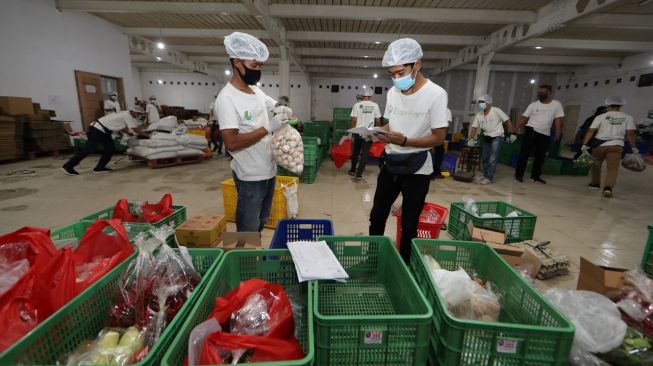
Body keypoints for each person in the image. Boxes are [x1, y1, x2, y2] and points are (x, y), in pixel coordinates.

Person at [369, 38, 448, 263]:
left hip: (417, 168)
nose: (396, 78)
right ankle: (373, 259)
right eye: (392, 74)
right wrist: (375, 131)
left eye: (400, 72)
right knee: (377, 215)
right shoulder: (393, 93)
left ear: (417, 65)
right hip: (391, 162)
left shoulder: (436, 94)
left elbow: (439, 137)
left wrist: (405, 141)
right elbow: (390, 124)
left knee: (409, 223)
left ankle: (404, 265)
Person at [215, 32, 290, 232]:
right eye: (254, 66)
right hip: (250, 176)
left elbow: (273, 104)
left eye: (259, 67)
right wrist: (268, 128)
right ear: (237, 63)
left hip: (268, 170)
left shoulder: (255, 90)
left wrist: (281, 109)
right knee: (247, 226)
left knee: (262, 220)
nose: (257, 71)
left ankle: (253, 255)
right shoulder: (227, 98)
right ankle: (243, 258)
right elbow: (231, 142)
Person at [61, 106, 145, 175]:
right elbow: (135, 129)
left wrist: (129, 133)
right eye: (138, 114)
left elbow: (121, 127)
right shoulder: (127, 115)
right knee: (90, 149)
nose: (138, 116)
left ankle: (99, 168)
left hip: (104, 131)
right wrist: (148, 135)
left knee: (110, 148)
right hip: (97, 129)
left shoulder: (124, 113)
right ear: (133, 111)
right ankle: (68, 166)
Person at [581, 96, 637, 198]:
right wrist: (633, 147)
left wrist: (584, 144)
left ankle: (595, 184)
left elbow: (591, 131)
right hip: (616, 145)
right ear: (620, 105)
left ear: (607, 105)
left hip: (599, 145)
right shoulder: (628, 117)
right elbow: (630, 133)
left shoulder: (600, 117)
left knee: (596, 165)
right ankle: (608, 188)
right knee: (612, 169)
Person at [514, 85, 564, 184]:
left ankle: (535, 176)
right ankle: (519, 175)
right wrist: (516, 128)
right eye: (539, 93)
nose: (540, 95)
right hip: (531, 131)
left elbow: (558, 119)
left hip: (545, 134)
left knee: (540, 157)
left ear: (549, 92)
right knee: (524, 154)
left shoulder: (556, 104)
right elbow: (524, 118)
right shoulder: (533, 105)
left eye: (542, 93)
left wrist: (558, 132)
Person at [468, 94, 515, 184]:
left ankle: (489, 177)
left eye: (482, 102)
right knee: (485, 157)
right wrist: (470, 140)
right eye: (479, 102)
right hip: (487, 136)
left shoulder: (496, 111)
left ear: (488, 102)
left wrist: (512, 133)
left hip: (497, 136)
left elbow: (507, 120)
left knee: (492, 158)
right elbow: (474, 127)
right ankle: (485, 175)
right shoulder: (479, 114)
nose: (480, 104)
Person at [348, 87, 381, 179]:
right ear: (371, 95)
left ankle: (353, 170)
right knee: (365, 153)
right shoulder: (375, 105)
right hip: (369, 132)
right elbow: (378, 121)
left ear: (361, 95)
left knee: (356, 151)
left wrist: (351, 132)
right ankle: (359, 174)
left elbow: (354, 120)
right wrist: (377, 132)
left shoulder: (357, 105)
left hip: (358, 131)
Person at [431, 108, 452, 179]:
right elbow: (447, 125)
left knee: (429, 153)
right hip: (438, 135)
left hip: (428, 134)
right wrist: (443, 135)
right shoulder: (446, 110)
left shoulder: (430, 107)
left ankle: (429, 173)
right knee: (439, 153)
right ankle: (435, 172)